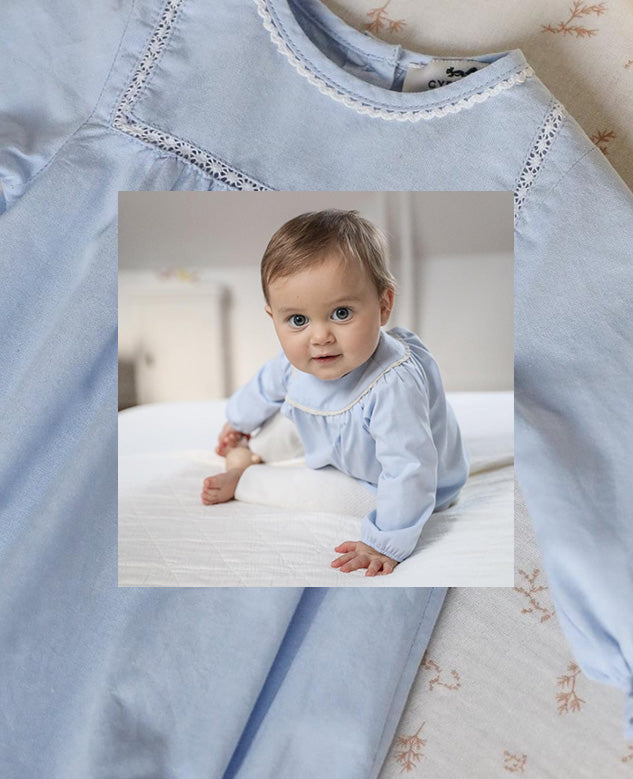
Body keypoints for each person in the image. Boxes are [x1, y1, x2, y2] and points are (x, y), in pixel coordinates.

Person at [201, 209, 469, 575]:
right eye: (298, 320)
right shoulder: (298, 364)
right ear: (274, 318)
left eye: (342, 313)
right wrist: (238, 423)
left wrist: (385, 543)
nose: (320, 336)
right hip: (338, 438)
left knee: (320, 492)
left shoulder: (391, 385)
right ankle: (249, 449)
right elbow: (265, 387)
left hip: (400, 483)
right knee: (285, 419)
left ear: (384, 306)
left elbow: (409, 469)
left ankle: (244, 476)